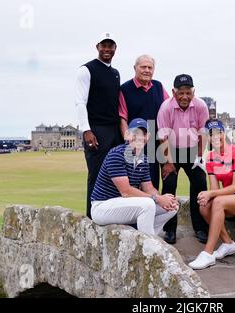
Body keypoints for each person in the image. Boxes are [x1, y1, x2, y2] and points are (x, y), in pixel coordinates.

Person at [188, 119, 235, 270]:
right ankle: (228, 243)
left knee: (217, 202)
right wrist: (208, 195)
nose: (216, 137)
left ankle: (208, 254)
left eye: (219, 133)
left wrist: (211, 194)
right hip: (230, 197)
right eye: (211, 134)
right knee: (204, 207)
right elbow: (214, 188)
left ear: (224, 133)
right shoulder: (209, 157)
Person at [90, 118, 178, 236]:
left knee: (172, 207)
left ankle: (146, 238)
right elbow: (126, 192)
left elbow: (149, 188)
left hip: (123, 205)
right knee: (148, 204)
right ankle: (148, 246)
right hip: (102, 207)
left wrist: (163, 199)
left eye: (143, 134)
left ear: (148, 137)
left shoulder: (144, 159)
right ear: (127, 134)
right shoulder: (117, 154)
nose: (139, 137)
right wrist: (157, 199)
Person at [75, 33, 123, 219]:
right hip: (95, 130)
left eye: (111, 46)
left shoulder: (115, 73)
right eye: (104, 45)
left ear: (115, 49)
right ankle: (92, 218)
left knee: (117, 174)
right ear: (97, 46)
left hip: (114, 131)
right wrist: (86, 130)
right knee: (95, 175)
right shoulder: (86, 70)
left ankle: (113, 215)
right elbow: (80, 102)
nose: (107, 49)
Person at [157, 74, 209, 244]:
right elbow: (163, 138)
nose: (185, 96)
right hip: (170, 151)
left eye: (188, 92)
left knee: (200, 185)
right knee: (169, 186)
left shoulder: (201, 105)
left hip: (192, 151)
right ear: (174, 92)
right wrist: (168, 163)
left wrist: (200, 158)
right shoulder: (165, 108)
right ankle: (169, 230)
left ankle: (200, 227)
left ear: (193, 91)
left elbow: (203, 134)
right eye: (181, 93)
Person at [118, 55, 169, 190]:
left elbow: (168, 109)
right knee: (133, 183)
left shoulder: (158, 86)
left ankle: (154, 209)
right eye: (143, 67)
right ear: (135, 68)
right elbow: (122, 117)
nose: (147, 70)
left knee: (152, 181)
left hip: (155, 140)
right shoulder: (125, 89)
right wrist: (128, 141)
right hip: (135, 139)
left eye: (150, 67)